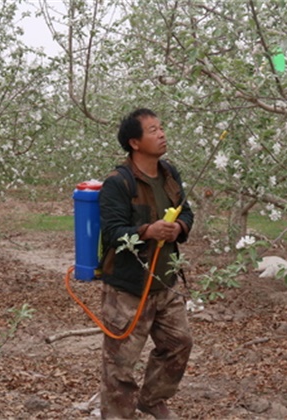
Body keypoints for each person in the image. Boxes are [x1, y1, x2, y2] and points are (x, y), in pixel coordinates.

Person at [98, 108, 194, 419]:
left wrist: (179, 228)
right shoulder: (117, 182)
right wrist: (147, 231)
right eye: (153, 130)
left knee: (179, 344)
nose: (162, 134)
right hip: (129, 288)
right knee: (120, 365)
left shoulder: (169, 174)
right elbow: (112, 233)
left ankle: (152, 399)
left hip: (164, 282)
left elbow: (186, 212)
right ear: (134, 143)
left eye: (161, 127)